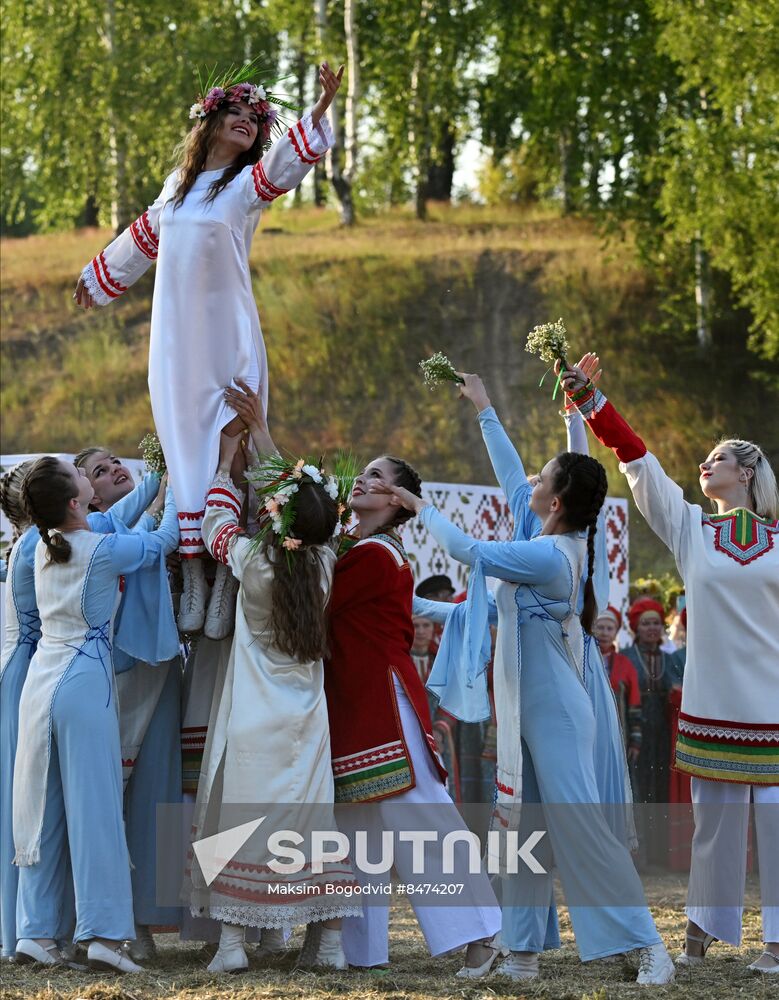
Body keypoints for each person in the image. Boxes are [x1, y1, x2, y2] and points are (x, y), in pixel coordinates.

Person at [378, 372, 674, 986]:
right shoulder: (545, 539)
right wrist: (485, 408)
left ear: (558, 501)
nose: (529, 485)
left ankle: (647, 946)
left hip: (558, 710)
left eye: (543, 480)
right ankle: (521, 955)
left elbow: (464, 552)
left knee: (580, 827)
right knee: (522, 828)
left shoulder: (549, 555)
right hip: (529, 709)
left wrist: (418, 506)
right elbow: (514, 484)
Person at [74, 61, 343, 636]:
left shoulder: (245, 188)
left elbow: (284, 164)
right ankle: (193, 572)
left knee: (232, 438)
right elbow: (141, 237)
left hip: (227, 336)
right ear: (212, 119)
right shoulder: (176, 188)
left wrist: (318, 111)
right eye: (237, 112)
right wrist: (97, 278)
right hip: (176, 341)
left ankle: (228, 573)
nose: (247, 121)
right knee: (185, 446)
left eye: (255, 117)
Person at [560, 353, 779, 975]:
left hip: (774, 701)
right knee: (713, 821)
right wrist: (590, 403)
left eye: (720, 458)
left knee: (777, 823)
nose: (706, 463)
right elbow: (639, 462)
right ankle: (701, 930)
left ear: (749, 472)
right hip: (711, 698)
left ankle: (776, 944)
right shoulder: (692, 531)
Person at [187, 386, 358, 972]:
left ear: (275, 519)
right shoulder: (325, 561)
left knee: (244, 823)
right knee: (313, 825)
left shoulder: (256, 564)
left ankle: (233, 945)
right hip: (308, 721)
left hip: (254, 717)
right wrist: (261, 431)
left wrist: (223, 461)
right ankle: (329, 945)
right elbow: (304, 502)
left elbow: (215, 524)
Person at [324, 452, 503, 975]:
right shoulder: (356, 547)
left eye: (377, 477)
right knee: (357, 825)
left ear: (398, 502)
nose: (363, 478)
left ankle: (484, 931)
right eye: (366, 471)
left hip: (383, 698)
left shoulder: (377, 555)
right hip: (354, 697)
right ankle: (360, 950)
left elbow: (315, 600)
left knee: (421, 814)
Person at [12, 456, 177, 973]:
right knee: (98, 810)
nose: (85, 471)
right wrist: (176, 490)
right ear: (75, 501)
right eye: (79, 473)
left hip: (40, 683)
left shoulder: (39, 545)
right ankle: (105, 936)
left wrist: (155, 483)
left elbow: (127, 521)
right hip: (85, 685)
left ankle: (36, 932)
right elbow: (162, 542)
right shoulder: (101, 549)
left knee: (43, 807)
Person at [73, 446, 182, 959]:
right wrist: (172, 469)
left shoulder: (131, 527)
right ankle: (103, 923)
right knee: (112, 796)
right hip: (118, 670)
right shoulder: (95, 529)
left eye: (117, 460)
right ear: (85, 493)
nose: (115, 468)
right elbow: (156, 538)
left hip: (161, 665)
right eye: (100, 470)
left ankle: (144, 920)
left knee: (155, 796)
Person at [620, 597, 684, 866]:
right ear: (635, 626)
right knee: (638, 788)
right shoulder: (626, 657)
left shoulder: (670, 659)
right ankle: (639, 855)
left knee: (661, 789)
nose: (651, 628)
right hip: (636, 729)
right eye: (645, 623)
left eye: (656, 623)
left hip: (662, 731)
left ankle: (661, 853)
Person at [593, 606, 642, 775]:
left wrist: (635, 741)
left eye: (609, 628)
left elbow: (635, 703)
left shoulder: (625, 664)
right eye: (600, 627)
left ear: (615, 633)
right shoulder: (581, 659)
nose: (604, 633)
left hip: (618, 735)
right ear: (592, 628)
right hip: (589, 732)